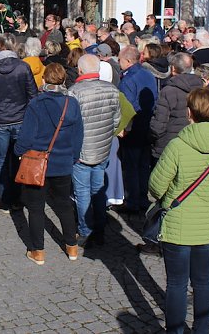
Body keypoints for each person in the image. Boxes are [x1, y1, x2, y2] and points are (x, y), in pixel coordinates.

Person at [149, 87, 209, 334]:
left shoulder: (177, 146)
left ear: (189, 113)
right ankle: (202, 329)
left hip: (178, 222)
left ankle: (174, 330)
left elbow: (156, 185)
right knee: (203, 280)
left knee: (176, 283)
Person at [15, 63, 83, 265]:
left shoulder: (36, 104)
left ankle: (38, 251)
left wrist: (18, 151)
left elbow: (26, 136)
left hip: (38, 162)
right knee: (64, 205)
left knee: (36, 208)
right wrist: (73, 157)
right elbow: (78, 135)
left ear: (44, 80)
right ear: (63, 81)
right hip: (63, 162)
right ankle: (72, 247)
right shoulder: (72, 104)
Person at [0, 33, 38, 212]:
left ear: (0, 46)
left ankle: (5, 199)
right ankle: (17, 198)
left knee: (3, 159)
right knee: (18, 158)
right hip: (19, 118)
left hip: (0, 120)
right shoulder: (23, 67)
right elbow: (32, 94)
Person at [69, 54, 121, 246]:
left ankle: (85, 231)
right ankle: (99, 229)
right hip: (103, 148)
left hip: (82, 152)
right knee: (98, 190)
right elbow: (116, 120)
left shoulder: (75, 92)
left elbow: (70, 124)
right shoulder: (112, 90)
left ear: (80, 70)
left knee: (82, 192)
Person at [118, 46, 158, 213]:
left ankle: (132, 201)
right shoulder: (148, 74)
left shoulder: (128, 80)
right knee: (142, 165)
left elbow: (127, 107)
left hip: (133, 128)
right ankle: (142, 198)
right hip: (147, 125)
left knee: (131, 167)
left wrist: (124, 129)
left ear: (128, 61)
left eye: (120, 60)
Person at [150, 52, 204, 160]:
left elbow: (158, 124)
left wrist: (153, 138)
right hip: (193, 142)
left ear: (173, 69)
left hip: (168, 146)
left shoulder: (169, 91)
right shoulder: (201, 88)